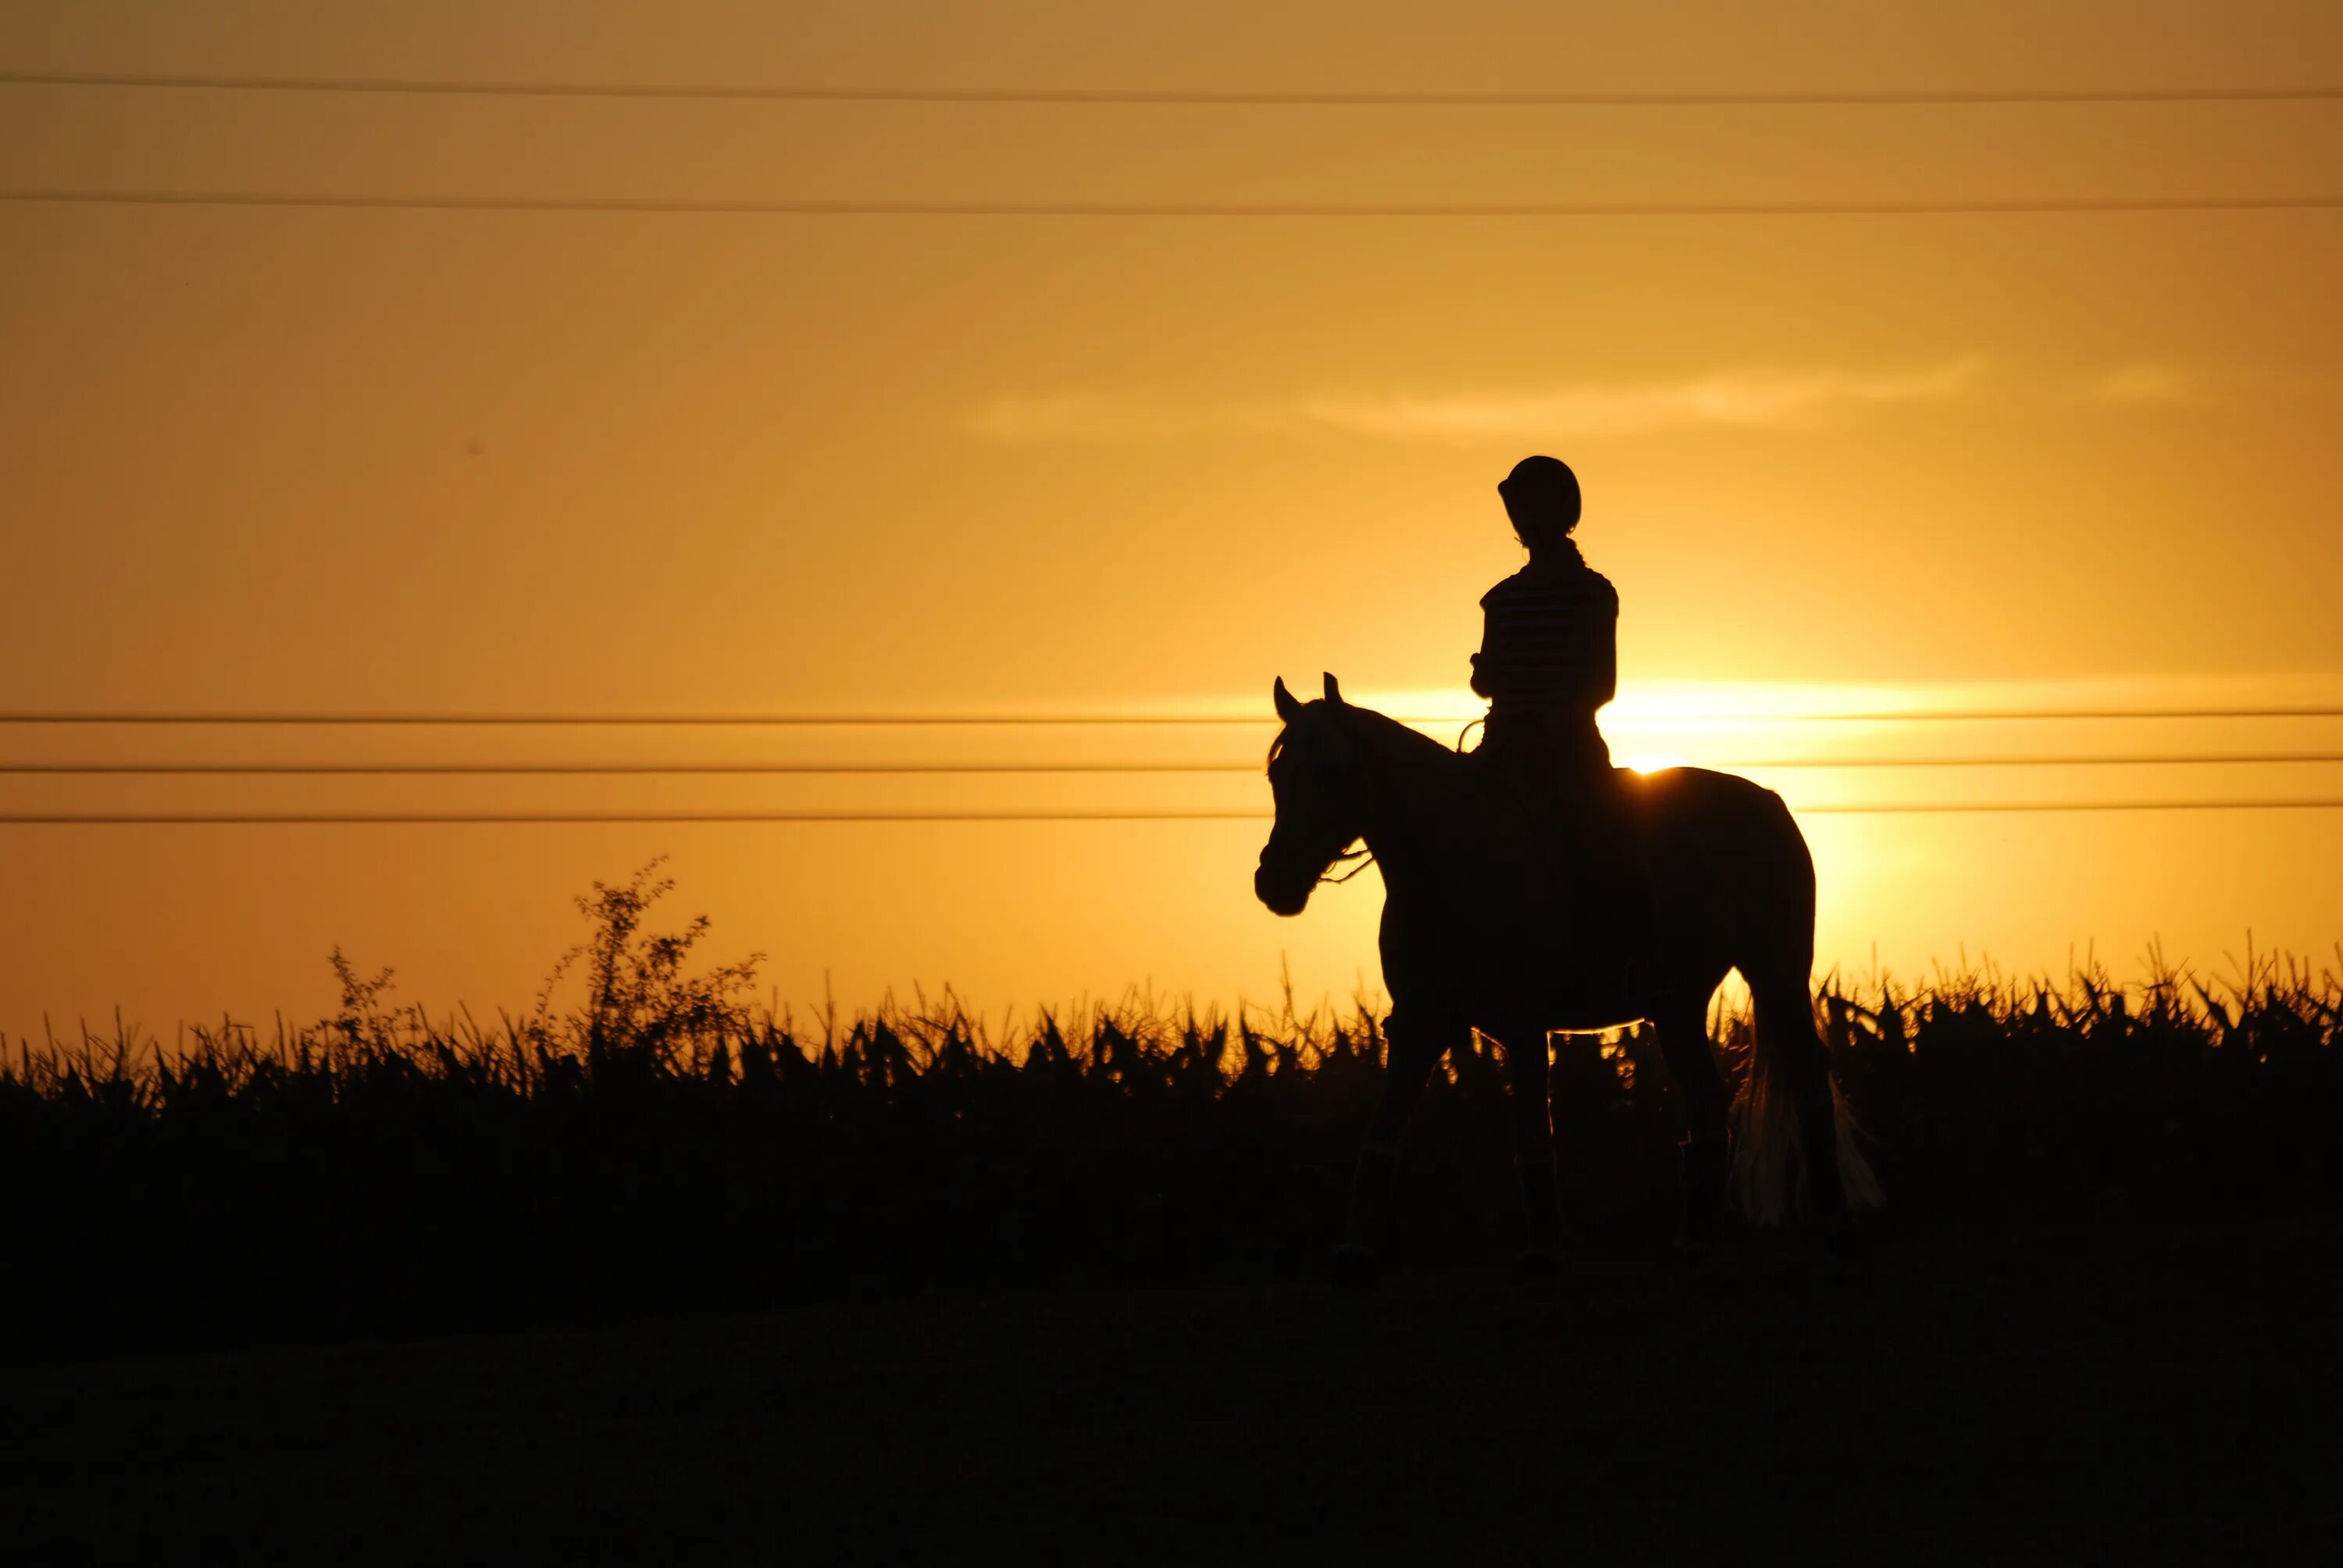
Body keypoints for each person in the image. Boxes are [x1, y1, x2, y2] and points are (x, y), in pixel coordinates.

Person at [1470, 455, 1659, 1000]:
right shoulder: (1500, 600)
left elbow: (1601, 683)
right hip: (1501, 748)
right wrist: (1488, 678)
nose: (1525, 518)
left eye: (1535, 506)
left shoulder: (1593, 594)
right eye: (1519, 507)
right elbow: (1492, 686)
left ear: (1561, 513)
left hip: (1568, 749)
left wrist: (1544, 714)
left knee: (1611, 835)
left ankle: (1639, 957)